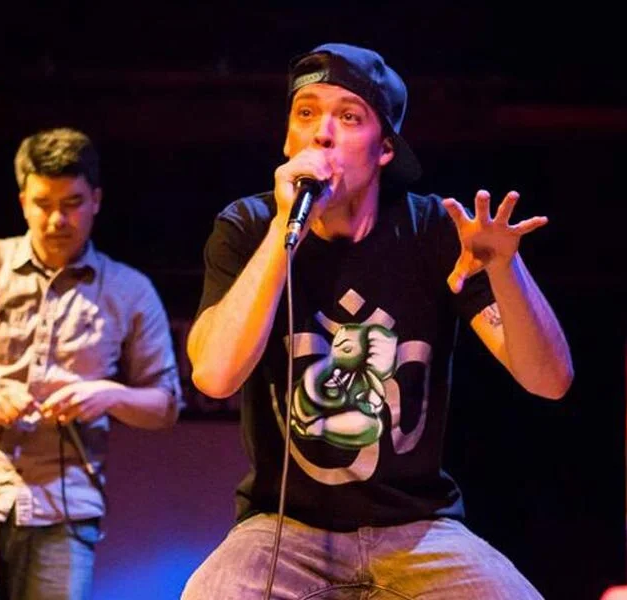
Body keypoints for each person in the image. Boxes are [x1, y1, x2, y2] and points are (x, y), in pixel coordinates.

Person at [182, 43, 574, 599]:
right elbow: (214, 376)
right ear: (287, 139)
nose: (322, 133)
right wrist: (284, 231)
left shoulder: (432, 230)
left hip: (419, 528)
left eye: (348, 117)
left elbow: (550, 381)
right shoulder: (248, 227)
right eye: (306, 113)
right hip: (282, 530)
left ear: (385, 148)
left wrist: (506, 271)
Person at [0, 127, 182, 599]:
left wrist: (108, 395)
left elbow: (165, 405)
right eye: (43, 203)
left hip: (66, 507)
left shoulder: (130, 290)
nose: (57, 219)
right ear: (23, 202)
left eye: (72, 203)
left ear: (96, 200)